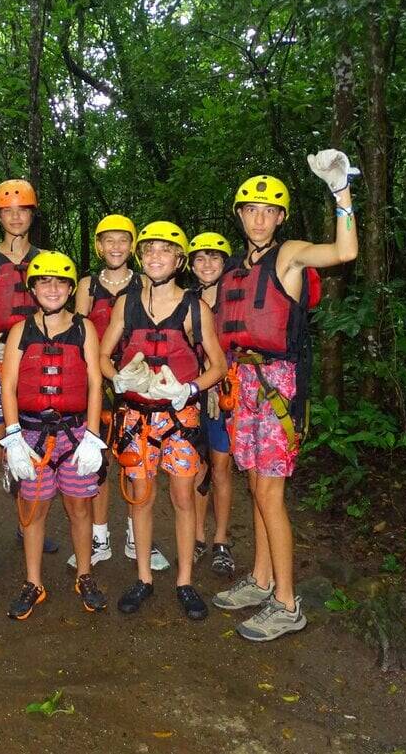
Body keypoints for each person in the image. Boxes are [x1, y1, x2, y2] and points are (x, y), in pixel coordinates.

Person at [211, 150, 359, 641]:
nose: (259, 218)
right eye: (251, 209)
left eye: (269, 210)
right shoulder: (233, 270)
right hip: (243, 383)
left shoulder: (290, 253)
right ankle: (260, 578)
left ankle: (287, 603)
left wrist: (341, 191)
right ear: (239, 214)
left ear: (280, 218)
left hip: (280, 387)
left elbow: (344, 253)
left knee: (270, 494)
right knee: (255, 486)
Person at [99, 221, 226, 620]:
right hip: (136, 417)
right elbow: (103, 355)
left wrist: (188, 390)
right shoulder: (127, 303)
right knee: (141, 495)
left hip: (179, 416)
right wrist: (116, 376)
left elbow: (218, 365)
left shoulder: (194, 307)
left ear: (179, 259)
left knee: (184, 496)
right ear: (141, 257)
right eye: (150, 250)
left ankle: (185, 581)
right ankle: (143, 578)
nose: (156, 257)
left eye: (165, 251)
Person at [0, 252, 109, 619]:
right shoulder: (21, 330)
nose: (52, 288)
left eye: (60, 282)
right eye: (44, 281)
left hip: (74, 432)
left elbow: (95, 381)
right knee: (34, 509)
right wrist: (13, 437)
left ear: (69, 288)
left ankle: (85, 574)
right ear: (32, 288)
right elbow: (8, 383)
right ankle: (34, 582)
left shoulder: (84, 328)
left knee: (80, 507)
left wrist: (93, 436)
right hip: (30, 433)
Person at [70, 215, 171, 572]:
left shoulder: (146, 281)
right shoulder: (86, 285)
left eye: (122, 240)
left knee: (135, 460)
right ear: (99, 246)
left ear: (133, 246)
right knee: (97, 459)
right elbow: (77, 331)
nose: (115, 247)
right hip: (96, 379)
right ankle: (99, 537)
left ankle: (135, 535)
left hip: (137, 378)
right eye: (108, 241)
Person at [0, 179, 54, 575]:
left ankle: (26, 524)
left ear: (32, 215)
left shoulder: (46, 259)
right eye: (8, 210)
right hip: (0, 362)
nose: (16, 216)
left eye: (23, 210)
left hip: (36, 366)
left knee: (32, 450)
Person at [186, 232, 237, 577]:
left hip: (226, 391)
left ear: (225, 263)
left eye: (214, 258)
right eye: (200, 259)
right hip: (193, 391)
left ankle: (221, 539)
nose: (207, 265)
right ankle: (198, 536)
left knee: (220, 465)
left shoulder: (236, 298)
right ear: (190, 265)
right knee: (196, 467)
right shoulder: (186, 300)